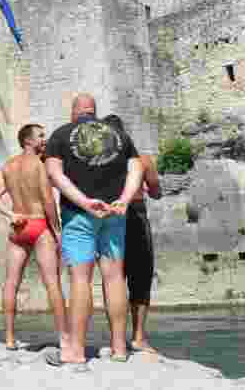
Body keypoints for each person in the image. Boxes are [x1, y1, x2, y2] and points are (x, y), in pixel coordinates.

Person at [42, 94, 144, 368]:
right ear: (94, 111)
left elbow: (55, 175)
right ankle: (120, 348)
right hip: (113, 213)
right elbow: (137, 168)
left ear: (74, 112)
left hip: (80, 214)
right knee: (114, 278)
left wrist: (83, 201)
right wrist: (124, 199)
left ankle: (75, 351)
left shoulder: (61, 134)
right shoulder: (119, 135)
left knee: (80, 279)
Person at [0, 124, 68, 351]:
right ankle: (64, 337)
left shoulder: (9, 166)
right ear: (27, 141)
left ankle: (10, 339)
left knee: (11, 283)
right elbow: (48, 201)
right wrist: (58, 231)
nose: (45, 139)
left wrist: (10, 214)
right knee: (52, 282)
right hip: (40, 224)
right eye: (40, 136)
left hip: (19, 226)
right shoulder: (40, 166)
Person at [103, 115, 162, 354]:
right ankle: (138, 337)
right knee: (141, 276)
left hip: (109, 218)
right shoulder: (142, 159)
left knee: (113, 278)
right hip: (135, 215)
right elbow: (156, 190)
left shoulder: (101, 161)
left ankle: (117, 340)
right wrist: (147, 188)